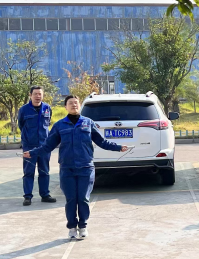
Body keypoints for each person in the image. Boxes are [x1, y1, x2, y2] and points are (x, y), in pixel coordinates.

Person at [24, 95, 128, 239]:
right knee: (71, 199)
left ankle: (83, 225)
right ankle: (72, 227)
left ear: (79, 105)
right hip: (67, 169)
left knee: (83, 199)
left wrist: (118, 147)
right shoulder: (59, 125)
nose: (74, 105)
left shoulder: (88, 123)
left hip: (86, 167)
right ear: (65, 107)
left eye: (76, 103)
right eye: (70, 103)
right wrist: (32, 153)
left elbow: (102, 142)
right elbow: (48, 146)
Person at [18, 86, 56, 206]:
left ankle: (45, 195)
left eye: (40, 94)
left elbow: (47, 123)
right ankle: (27, 196)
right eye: (35, 94)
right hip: (29, 145)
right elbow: (21, 125)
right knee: (28, 172)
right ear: (30, 95)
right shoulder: (24, 110)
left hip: (44, 146)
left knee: (44, 171)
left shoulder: (47, 108)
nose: (38, 96)